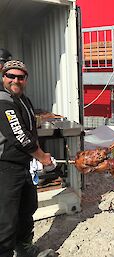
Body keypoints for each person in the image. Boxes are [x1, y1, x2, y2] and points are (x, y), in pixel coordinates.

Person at [0, 60, 56, 257]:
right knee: (6, 218)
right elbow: (20, 136)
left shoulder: (24, 100)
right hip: (6, 168)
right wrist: (43, 157)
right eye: (11, 76)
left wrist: (37, 157)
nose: (16, 80)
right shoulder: (3, 101)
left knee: (27, 209)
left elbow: (31, 133)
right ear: (3, 77)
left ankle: (24, 248)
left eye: (20, 77)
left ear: (26, 80)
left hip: (25, 165)